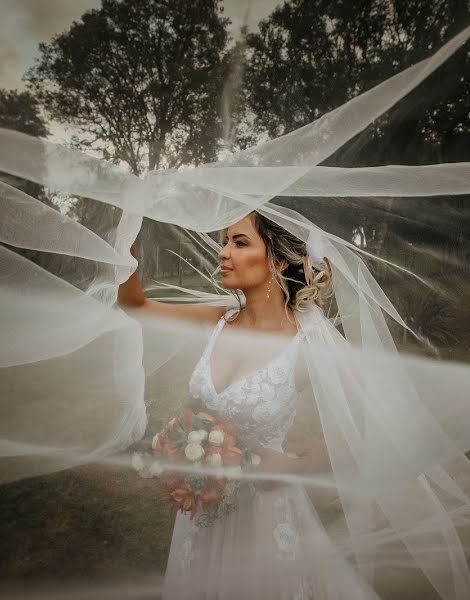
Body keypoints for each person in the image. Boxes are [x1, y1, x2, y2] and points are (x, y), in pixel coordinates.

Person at [118, 211, 379, 598]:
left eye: (239, 243)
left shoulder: (306, 345)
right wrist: (129, 225)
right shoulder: (217, 321)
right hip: (201, 517)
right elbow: (135, 305)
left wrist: (297, 465)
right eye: (225, 241)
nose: (223, 253)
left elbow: (365, 430)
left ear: (276, 260)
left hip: (265, 518)